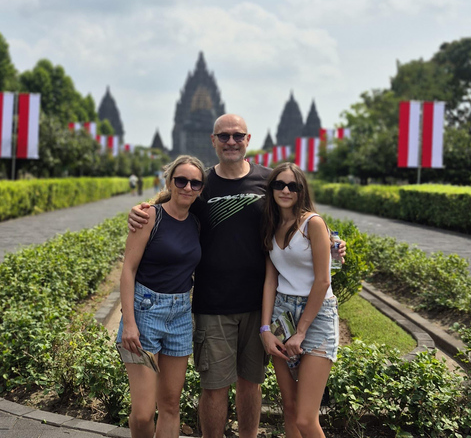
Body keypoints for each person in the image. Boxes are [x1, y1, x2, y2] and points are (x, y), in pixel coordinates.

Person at [129, 114, 345, 438]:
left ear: (248, 140)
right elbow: (171, 203)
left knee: (251, 383)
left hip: (259, 306)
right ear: (213, 140)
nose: (231, 141)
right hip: (212, 304)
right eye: (224, 136)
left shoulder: (269, 181)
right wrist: (140, 209)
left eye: (237, 135)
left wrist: (334, 243)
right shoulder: (199, 182)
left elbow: (299, 217)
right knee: (214, 387)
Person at [118, 155, 206, 438]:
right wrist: (129, 323)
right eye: (181, 180)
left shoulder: (196, 223)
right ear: (169, 182)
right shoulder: (149, 217)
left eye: (195, 183)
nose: (187, 187)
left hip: (180, 315)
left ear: (201, 189)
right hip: (145, 312)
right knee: (143, 413)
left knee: (170, 405)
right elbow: (128, 271)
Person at [259, 162, 339, 438]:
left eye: (292, 186)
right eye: (279, 184)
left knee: (306, 418)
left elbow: (323, 280)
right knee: (290, 408)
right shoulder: (271, 225)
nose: (285, 190)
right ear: (271, 189)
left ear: (301, 190)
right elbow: (270, 281)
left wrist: (301, 331)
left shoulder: (313, 223)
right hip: (282, 314)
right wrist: (265, 329)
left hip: (316, 316)